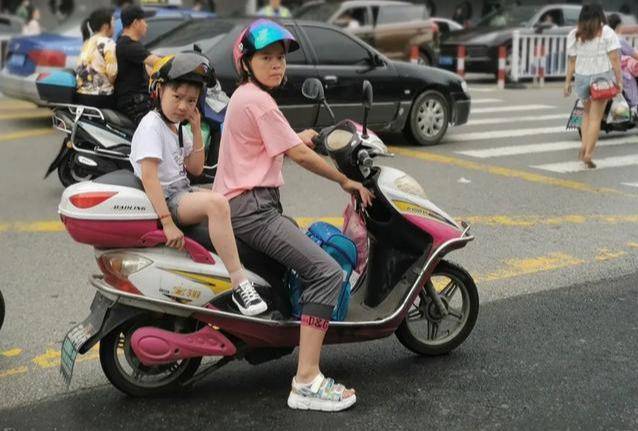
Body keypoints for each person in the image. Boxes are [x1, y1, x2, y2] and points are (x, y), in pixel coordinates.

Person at [212, 19, 373, 411]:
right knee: (326, 273)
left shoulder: (246, 97)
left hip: (244, 205)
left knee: (303, 267)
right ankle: (306, 380)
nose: (276, 65)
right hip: (254, 211)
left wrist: (297, 137)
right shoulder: (259, 100)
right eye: (266, 57)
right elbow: (299, 157)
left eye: (281, 58)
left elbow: (275, 143)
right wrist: (344, 181)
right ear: (245, 63)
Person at [129, 53, 268, 317]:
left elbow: (195, 169)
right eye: (177, 97)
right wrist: (168, 223)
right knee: (216, 203)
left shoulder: (176, 126)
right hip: (168, 200)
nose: (183, 106)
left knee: (231, 198)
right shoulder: (151, 126)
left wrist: (194, 129)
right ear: (159, 91)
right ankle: (240, 285)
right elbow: (149, 176)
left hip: (181, 192)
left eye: (191, 101)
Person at [564, 4, 622, 169]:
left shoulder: (574, 34)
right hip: (601, 78)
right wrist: (620, 81)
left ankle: (583, 146)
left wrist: (567, 82)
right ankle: (589, 153)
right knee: (596, 118)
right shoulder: (607, 32)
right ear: (600, 15)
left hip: (581, 78)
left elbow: (572, 61)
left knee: (586, 114)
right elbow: (615, 59)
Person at [115, 5, 161, 126]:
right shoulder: (127, 45)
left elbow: (150, 68)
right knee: (155, 126)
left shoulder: (128, 44)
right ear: (135, 23)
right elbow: (157, 62)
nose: (146, 25)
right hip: (134, 104)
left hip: (138, 101)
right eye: (144, 21)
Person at [75, 8, 117, 109]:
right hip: (101, 98)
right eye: (113, 22)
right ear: (106, 26)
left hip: (81, 96)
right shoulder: (108, 43)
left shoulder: (87, 43)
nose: (114, 26)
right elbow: (112, 75)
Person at [608, 13, 638, 109]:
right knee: (633, 92)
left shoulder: (604, 38)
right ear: (619, 25)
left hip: (603, 73)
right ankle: (634, 108)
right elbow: (634, 55)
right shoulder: (619, 40)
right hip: (617, 74)